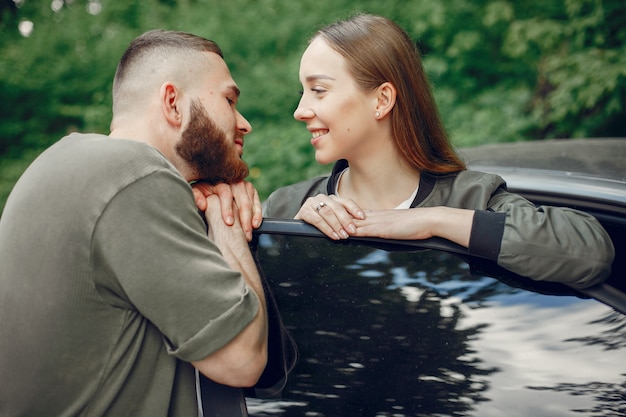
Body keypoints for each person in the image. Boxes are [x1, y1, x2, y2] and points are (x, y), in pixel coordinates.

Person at [0, 30, 268, 416]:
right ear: (173, 103)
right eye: (229, 99)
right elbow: (243, 358)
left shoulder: (56, 163)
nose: (244, 123)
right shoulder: (137, 176)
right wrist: (223, 218)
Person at [263, 14, 615, 289]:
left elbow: (591, 253)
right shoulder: (287, 207)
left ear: (382, 100)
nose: (300, 110)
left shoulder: (472, 196)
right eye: (302, 92)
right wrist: (293, 238)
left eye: (319, 90)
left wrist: (434, 220)